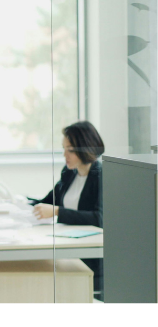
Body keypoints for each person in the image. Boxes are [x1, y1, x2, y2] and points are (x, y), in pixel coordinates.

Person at [32, 120, 104, 297]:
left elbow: (99, 218)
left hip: (90, 256)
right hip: (68, 246)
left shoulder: (101, 176)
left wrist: (57, 211)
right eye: (64, 148)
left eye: (70, 150)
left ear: (85, 148)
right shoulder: (69, 172)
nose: (65, 155)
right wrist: (21, 202)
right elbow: (48, 201)